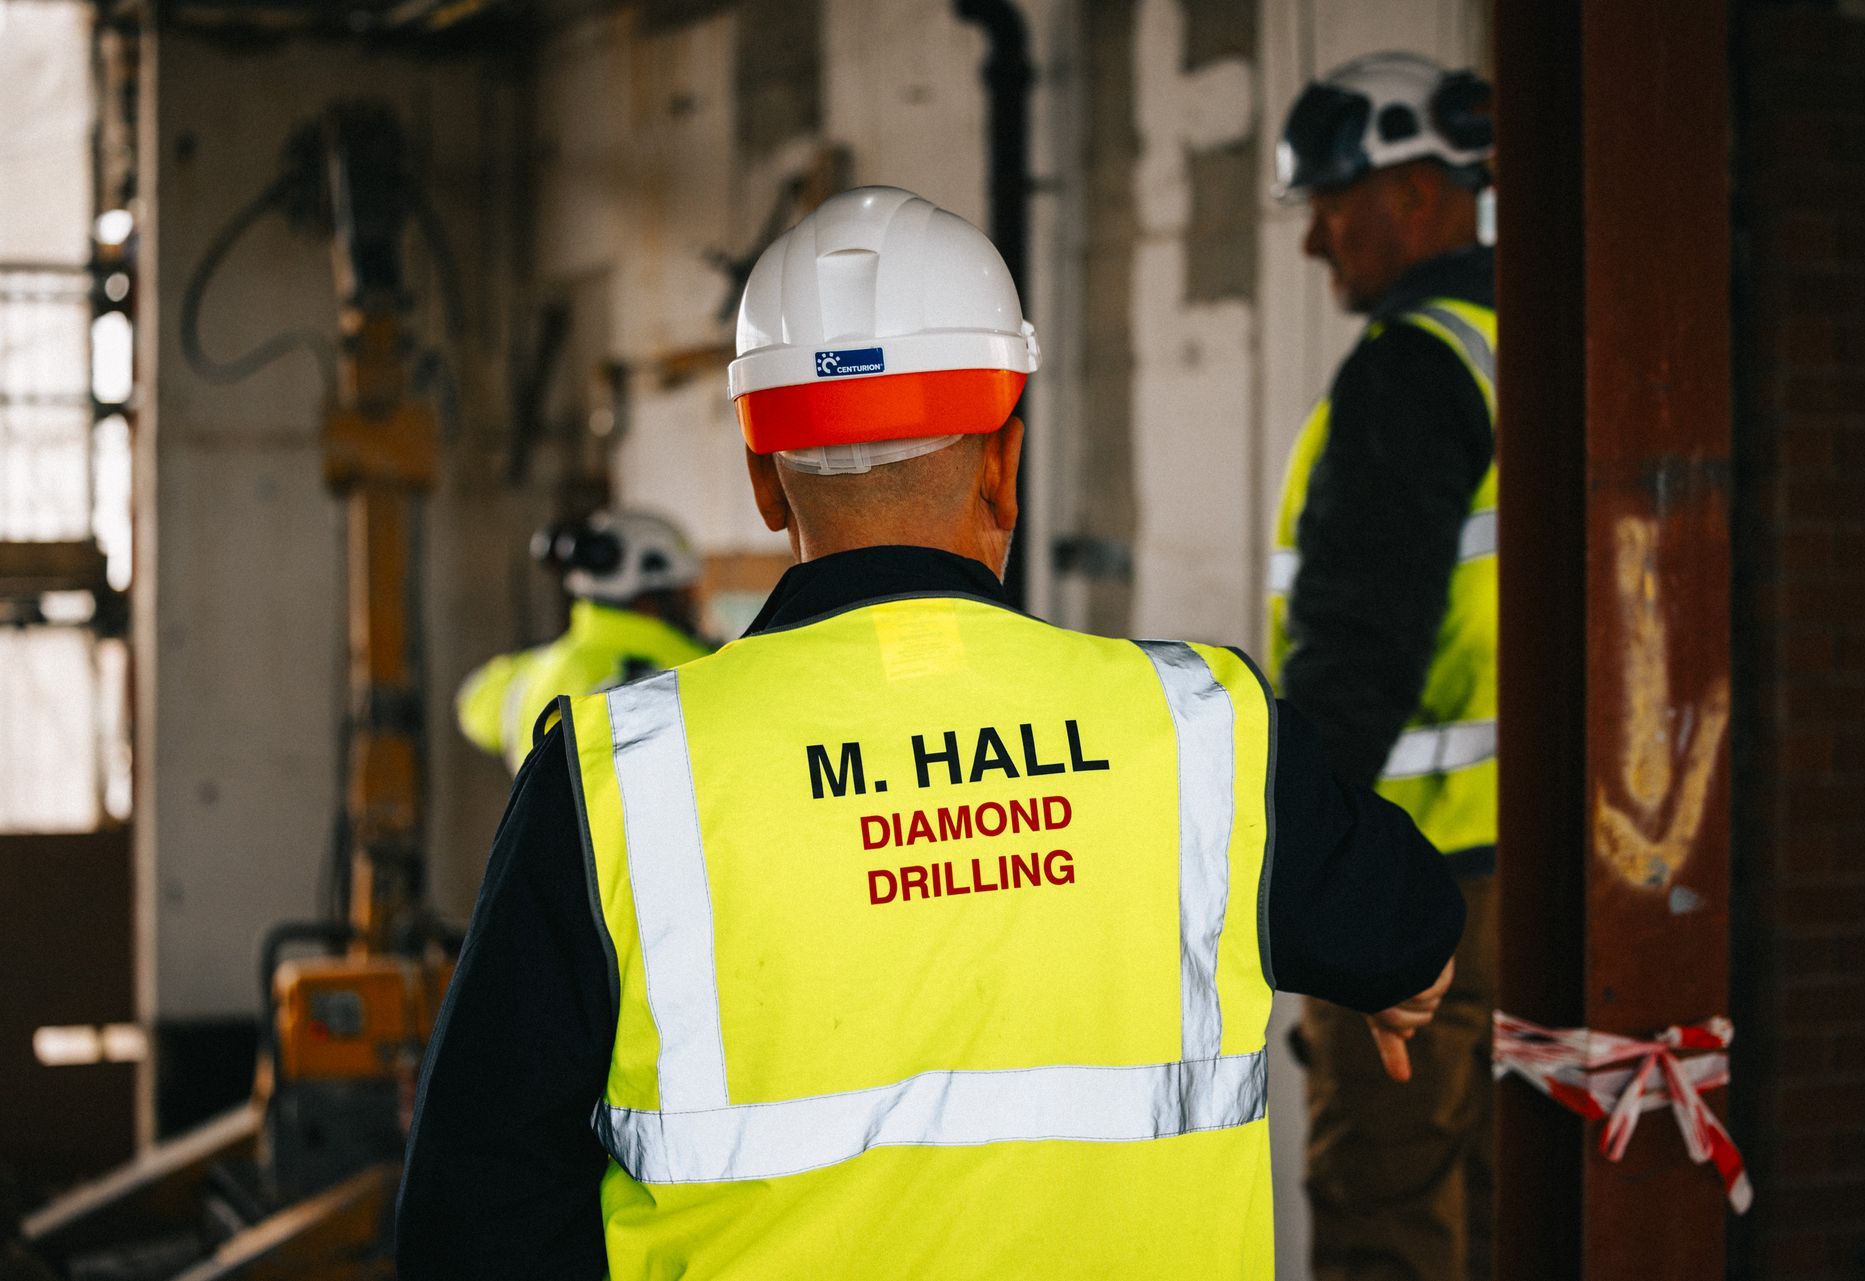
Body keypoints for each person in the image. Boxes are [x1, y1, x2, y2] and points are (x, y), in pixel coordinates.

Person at [397, 186, 1463, 1281]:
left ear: (765, 479)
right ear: (1003, 462)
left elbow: (469, 1221)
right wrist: (1397, 974)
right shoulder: (1198, 726)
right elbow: (1411, 931)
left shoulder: (613, 776)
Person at [1267, 53, 1499, 1281]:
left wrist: (1307, 859)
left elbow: (1356, 649)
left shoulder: (1411, 371)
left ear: (1417, 192)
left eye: (1332, 204)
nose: (1316, 244)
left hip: (1411, 874)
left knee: (1383, 1211)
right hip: (1532, 866)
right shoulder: (1537, 343)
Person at [454, 508, 710, 773]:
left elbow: (474, 707)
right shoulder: (690, 672)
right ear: (651, 599)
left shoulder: (535, 671)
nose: (694, 604)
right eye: (686, 593)